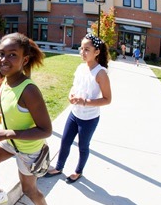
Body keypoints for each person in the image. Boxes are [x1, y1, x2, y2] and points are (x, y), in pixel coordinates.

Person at [0, 33, 52, 205]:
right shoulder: (6, 83)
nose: (4, 59)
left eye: (12, 54)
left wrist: (6, 133)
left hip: (28, 150)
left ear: (24, 60)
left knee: (29, 191)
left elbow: (46, 130)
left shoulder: (29, 91)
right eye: (1, 53)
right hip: (9, 141)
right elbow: (12, 113)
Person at [44, 33, 112, 184]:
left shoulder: (101, 73)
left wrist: (85, 102)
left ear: (97, 52)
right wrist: (70, 95)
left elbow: (107, 99)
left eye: (87, 49)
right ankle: (59, 167)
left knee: (83, 146)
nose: (82, 52)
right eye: (81, 48)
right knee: (65, 141)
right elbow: (74, 87)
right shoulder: (81, 67)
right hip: (74, 113)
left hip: (89, 118)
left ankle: (78, 172)